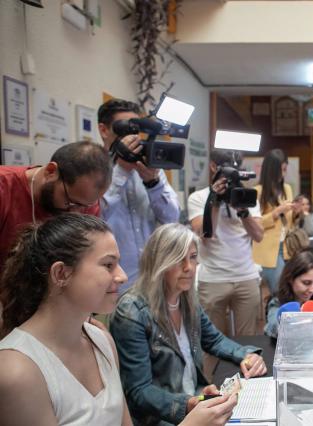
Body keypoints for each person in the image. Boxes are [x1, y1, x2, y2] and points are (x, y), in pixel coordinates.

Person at [0, 214, 242, 426]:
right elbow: (140, 393)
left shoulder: (100, 339)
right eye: (108, 265)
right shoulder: (17, 371)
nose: (122, 276)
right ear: (61, 273)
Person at [110, 223, 267, 425]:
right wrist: (188, 404)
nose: (189, 267)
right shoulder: (131, 312)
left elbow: (214, 340)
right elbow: (139, 391)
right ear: (158, 262)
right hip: (163, 418)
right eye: (179, 259)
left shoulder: (186, 298)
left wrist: (246, 355)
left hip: (196, 401)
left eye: (193, 257)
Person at [98, 98, 180, 291]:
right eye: (125, 129)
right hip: (111, 285)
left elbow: (172, 218)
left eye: (135, 130)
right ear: (103, 130)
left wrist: (153, 183)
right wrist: (121, 171)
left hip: (151, 281)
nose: (132, 137)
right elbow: (94, 215)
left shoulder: (149, 167)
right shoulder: (92, 167)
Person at [0, 140, 111, 269]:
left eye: (85, 206)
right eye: (69, 201)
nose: (75, 212)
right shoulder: (4, 189)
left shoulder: (86, 204)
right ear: (50, 171)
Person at [188, 149, 264, 336]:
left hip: (246, 276)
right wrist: (215, 200)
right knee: (212, 342)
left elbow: (259, 235)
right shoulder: (198, 198)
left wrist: (243, 211)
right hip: (213, 279)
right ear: (214, 167)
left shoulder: (247, 196)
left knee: (249, 341)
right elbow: (207, 234)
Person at [252, 149, 300, 296]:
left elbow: (290, 222)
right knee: (280, 290)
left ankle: (275, 312)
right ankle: (276, 316)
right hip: (267, 248)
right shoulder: (257, 191)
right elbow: (255, 225)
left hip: (287, 247)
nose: (284, 174)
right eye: (282, 170)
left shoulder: (287, 188)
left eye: (285, 169)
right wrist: (277, 211)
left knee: (287, 288)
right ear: (271, 170)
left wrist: (296, 213)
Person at [264, 251, 313, 338]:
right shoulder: (277, 302)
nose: (312, 290)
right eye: (306, 283)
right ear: (290, 279)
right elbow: (273, 327)